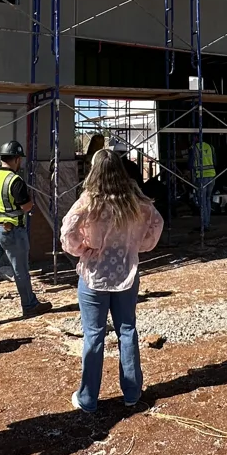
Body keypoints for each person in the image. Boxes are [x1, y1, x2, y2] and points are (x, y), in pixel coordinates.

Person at [60, 148, 165, 412]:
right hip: (126, 274)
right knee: (127, 331)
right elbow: (156, 222)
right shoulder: (134, 200)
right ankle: (131, 393)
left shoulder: (89, 201)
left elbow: (68, 229)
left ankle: (88, 398)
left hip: (94, 275)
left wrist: (82, 248)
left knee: (93, 336)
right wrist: (135, 245)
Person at [0, 140, 50, 319]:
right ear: (16, 159)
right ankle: (29, 305)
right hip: (11, 231)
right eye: (20, 159)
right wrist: (30, 203)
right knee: (20, 270)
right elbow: (26, 206)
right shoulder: (15, 181)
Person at [191, 137, 216, 230]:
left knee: (202, 202)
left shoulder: (195, 148)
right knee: (208, 199)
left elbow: (191, 164)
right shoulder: (210, 146)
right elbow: (215, 161)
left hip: (201, 177)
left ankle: (204, 225)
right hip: (212, 176)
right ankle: (207, 222)